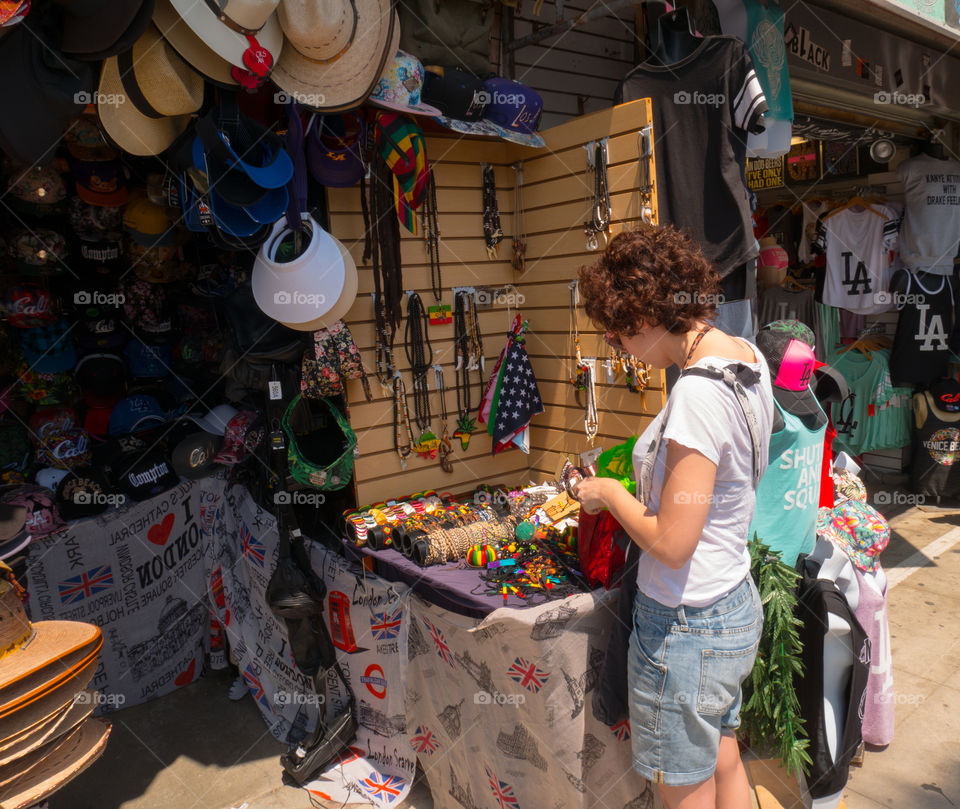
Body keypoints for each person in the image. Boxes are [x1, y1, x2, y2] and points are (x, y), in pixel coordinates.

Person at [574, 225, 774, 809]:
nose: (619, 345)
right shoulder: (745, 355)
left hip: (688, 624)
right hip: (731, 600)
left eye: (617, 333)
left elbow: (672, 541)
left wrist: (610, 492)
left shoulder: (697, 396)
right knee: (723, 752)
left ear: (644, 316)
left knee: (681, 787)